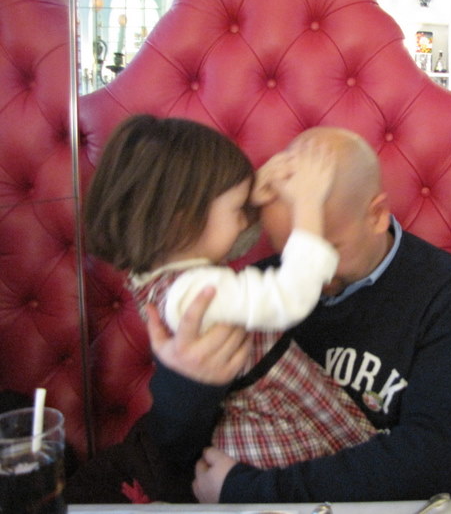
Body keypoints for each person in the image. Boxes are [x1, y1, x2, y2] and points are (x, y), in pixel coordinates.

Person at [144, 126, 451, 504]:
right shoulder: (260, 291)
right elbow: (175, 450)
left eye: (326, 248)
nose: (307, 271)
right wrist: (187, 383)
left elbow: (434, 462)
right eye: (292, 251)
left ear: (377, 215)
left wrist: (250, 490)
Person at [77, 115, 377, 502]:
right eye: (237, 211)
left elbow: (223, 241)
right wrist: (308, 207)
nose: (243, 224)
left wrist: (248, 197)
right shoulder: (197, 291)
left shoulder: (168, 267)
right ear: (183, 220)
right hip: (267, 417)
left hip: (269, 398)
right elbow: (290, 297)